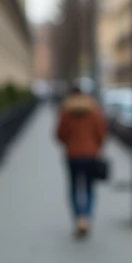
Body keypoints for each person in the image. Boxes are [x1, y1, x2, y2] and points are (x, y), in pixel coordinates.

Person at [54, 84, 106, 237]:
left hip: (72, 155)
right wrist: (95, 145)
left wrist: (70, 142)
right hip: (91, 155)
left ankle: (78, 217)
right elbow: (101, 132)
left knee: (74, 187)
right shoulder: (94, 110)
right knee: (89, 187)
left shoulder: (66, 111)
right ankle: (86, 217)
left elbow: (59, 134)